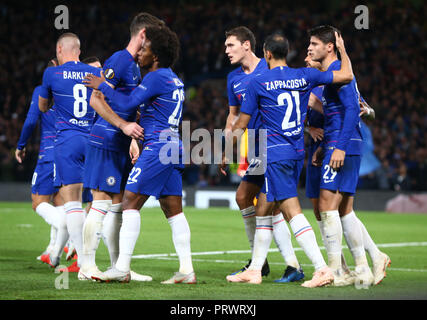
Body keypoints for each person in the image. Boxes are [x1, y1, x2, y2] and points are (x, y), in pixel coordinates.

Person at [226, 31, 354, 287]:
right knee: (263, 210)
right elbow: (346, 75)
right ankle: (254, 269)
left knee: (291, 211)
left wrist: (225, 147)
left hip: (274, 154)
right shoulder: (304, 75)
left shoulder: (258, 82)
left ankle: (321, 268)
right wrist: (342, 50)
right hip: (296, 153)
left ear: (267, 54)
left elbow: (241, 122)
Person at [84, 25, 196, 284]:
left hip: (158, 146)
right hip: (173, 145)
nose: (139, 54)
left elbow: (124, 103)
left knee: (129, 200)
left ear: (155, 55)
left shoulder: (156, 77)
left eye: (144, 50)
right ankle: (187, 270)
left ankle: (121, 267)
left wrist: (104, 85)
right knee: (173, 209)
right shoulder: (174, 79)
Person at [79, 15, 162, 281]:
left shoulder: (136, 66)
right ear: (143, 34)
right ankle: (86, 266)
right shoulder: (120, 60)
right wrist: (124, 127)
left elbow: (128, 106)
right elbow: (96, 99)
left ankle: (119, 269)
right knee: (101, 201)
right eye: (154, 37)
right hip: (104, 139)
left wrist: (131, 139)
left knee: (118, 206)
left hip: (120, 143)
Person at [307, 25, 390, 287]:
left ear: (329, 47)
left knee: (327, 206)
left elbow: (355, 109)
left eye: (314, 44)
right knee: (343, 210)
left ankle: (337, 272)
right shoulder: (337, 73)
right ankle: (364, 268)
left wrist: (338, 146)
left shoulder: (337, 74)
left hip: (343, 144)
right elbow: (346, 111)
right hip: (338, 143)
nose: (309, 49)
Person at [221, 26, 304, 283]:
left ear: (247, 45)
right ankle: (262, 261)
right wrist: (226, 149)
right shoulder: (233, 78)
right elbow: (233, 115)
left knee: (271, 204)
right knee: (245, 197)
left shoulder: (269, 69)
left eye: (230, 45)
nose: (226, 51)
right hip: (255, 146)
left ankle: (278, 264)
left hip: (275, 144)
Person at [37, 32, 107, 271]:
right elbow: (107, 102)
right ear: (79, 50)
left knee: (72, 203)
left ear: (59, 50)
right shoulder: (97, 73)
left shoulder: (51, 73)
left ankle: (84, 264)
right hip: (94, 139)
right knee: (97, 202)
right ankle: (104, 262)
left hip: (67, 141)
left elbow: (43, 106)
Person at [15, 58, 66, 261]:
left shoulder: (42, 91)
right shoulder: (69, 89)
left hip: (49, 153)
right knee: (60, 201)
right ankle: (53, 248)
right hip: (70, 152)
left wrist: (21, 145)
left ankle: (68, 227)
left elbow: (30, 121)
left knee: (38, 203)